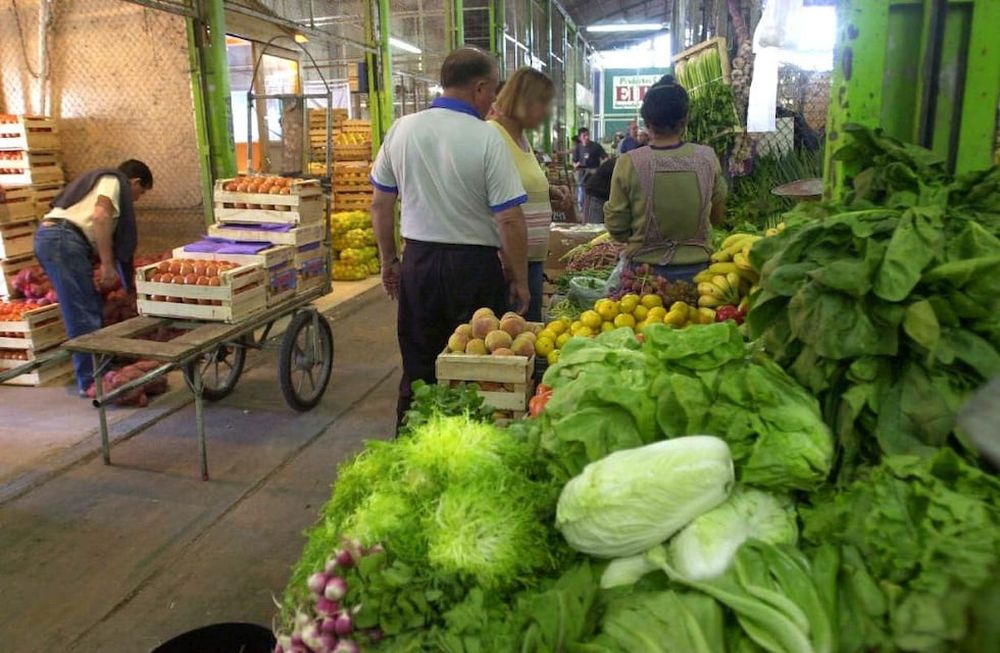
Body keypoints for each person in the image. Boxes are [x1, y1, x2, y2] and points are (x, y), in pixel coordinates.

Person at [370, 47, 530, 427]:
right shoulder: (488, 138)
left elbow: (380, 204)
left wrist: (389, 261)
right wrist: (519, 278)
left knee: (419, 363)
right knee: (474, 366)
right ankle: (468, 442)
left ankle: (410, 444)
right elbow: (509, 218)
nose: (494, 100)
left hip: (419, 263)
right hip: (472, 268)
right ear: (479, 87)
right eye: (493, 91)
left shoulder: (402, 129)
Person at [34, 159, 153, 395]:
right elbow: (100, 216)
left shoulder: (97, 183)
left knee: (88, 306)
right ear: (134, 182)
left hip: (56, 239)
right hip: (63, 240)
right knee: (83, 312)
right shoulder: (112, 180)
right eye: (140, 193)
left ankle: (100, 370)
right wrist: (108, 266)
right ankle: (91, 382)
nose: (136, 200)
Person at [604, 76, 727, 284]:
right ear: (685, 119)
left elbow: (617, 227)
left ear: (647, 121)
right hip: (701, 277)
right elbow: (717, 216)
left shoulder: (629, 162)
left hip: (643, 279)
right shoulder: (707, 158)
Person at [489, 68, 571, 322]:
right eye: (543, 103)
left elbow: (515, 186)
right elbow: (498, 205)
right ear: (523, 101)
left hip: (530, 261)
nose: (547, 112)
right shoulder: (493, 136)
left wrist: (546, 193)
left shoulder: (521, 139)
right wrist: (515, 273)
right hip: (508, 267)